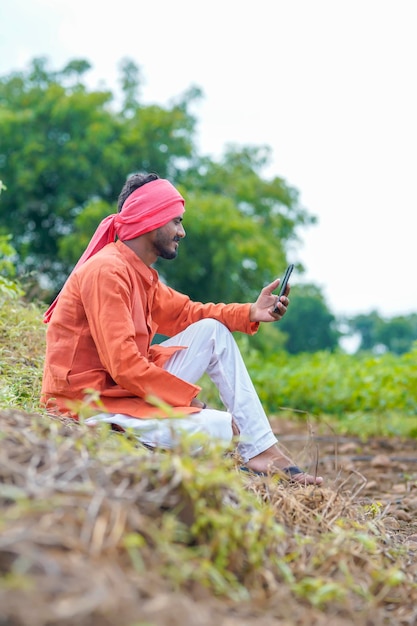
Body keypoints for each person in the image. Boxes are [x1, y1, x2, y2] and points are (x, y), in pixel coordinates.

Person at [41, 172, 323, 486]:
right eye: (176, 221)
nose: (182, 231)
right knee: (219, 427)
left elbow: (189, 313)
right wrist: (190, 401)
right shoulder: (107, 272)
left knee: (212, 331)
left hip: (121, 392)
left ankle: (262, 452)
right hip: (89, 407)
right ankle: (131, 442)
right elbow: (125, 366)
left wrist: (251, 312)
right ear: (151, 219)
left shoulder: (140, 273)